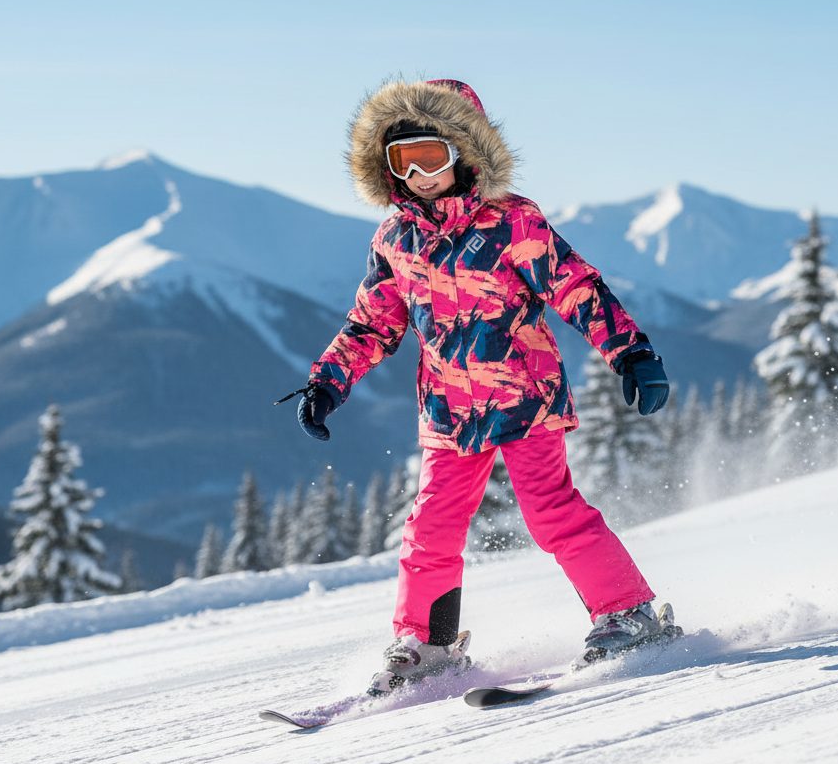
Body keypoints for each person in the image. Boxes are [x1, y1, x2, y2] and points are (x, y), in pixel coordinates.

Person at [280, 78, 674, 697]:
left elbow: (576, 287)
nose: (419, 174)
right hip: (447, 412)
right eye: (402, 160)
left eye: (430, 156)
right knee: (430, 527)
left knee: (551, 512)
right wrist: (327, 382)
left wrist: (631, 352)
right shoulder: (395, 240)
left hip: (526, 398)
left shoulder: (511, 221)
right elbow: (373, 323)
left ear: (464, 151)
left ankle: (628, 613)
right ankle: (427, 644)